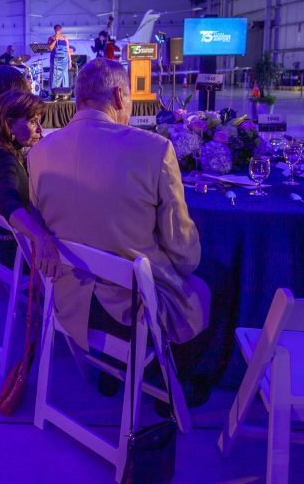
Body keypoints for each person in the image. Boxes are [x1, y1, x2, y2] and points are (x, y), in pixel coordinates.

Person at [28, 58, 224, 399]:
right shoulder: (153, 149)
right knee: (218, 277)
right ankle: (179, 383)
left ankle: (115, 367)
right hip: (132, 307)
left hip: (70, 302)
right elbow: (184, 255)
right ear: (120, 96)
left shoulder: (39, 152)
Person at [0, 90, 55, 270]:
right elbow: (8, 202)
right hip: (19, 255)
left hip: (1, 248)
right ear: (9, 124)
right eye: (33, 122)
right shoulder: (5, 160)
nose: (40, 129)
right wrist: (40, 236)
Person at [46, 24, 73, 92]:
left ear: (61, 30)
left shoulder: (65, 38)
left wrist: (70, 61)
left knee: (65, 77)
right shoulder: (51, 38)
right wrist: (55, 40)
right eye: (56, 30)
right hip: (55, 60)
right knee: (54, 77)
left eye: (59, 29)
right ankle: (54, 92)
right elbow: (49, 49)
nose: (58, 31)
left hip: (64, 61)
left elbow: (68, 50)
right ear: (55, 30)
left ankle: (65, 93)